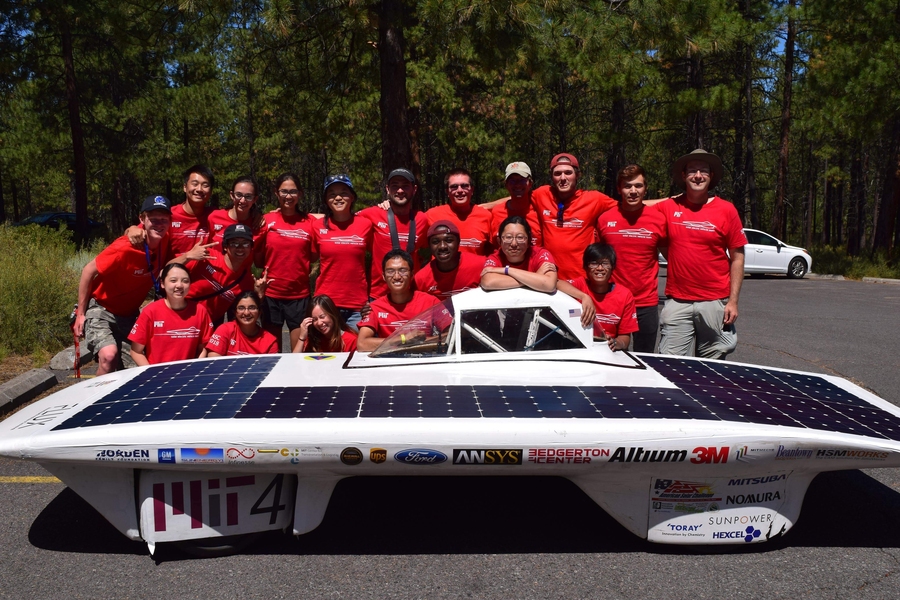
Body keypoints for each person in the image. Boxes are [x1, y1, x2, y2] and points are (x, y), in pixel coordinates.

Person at [655, 149, 747, 359]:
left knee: (711, 366)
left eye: (703, 171)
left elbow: (738, 258)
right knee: (671, 363)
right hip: (677, 301)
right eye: (693, 171)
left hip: (714, 301)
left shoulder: (726, 209)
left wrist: (733, 301)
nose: (698, 175)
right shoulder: (669, 207)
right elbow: (638, 204)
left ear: (711, 176)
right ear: (684, 176)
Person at [74, 195, 173, 375]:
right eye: (154, 219)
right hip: (102, 309)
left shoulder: (164, 239)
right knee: (109, 356)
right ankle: (96, 400)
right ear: (142, 219)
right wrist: (80, 314)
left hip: (129, 316)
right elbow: (88, 271)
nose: (159, 224)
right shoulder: (124, 247)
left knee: (141, 365)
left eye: (164, 219)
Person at [596, 164, 667, 352]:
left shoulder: (659, 219)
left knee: (645, 359)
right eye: (628, 186)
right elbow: (596, 260)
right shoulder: (605, 219)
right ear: (619, 189)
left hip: (646, 303)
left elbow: (673, 257)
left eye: (638, 186)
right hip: (613, 300)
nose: (633, 191)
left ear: (645, 188)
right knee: (612, 356)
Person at [258, 172, 316, 350]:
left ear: (300, 194)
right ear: (277, 193)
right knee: (272, 352)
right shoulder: (266, 220)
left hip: (298, 296)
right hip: (271, 295)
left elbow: (313, 256)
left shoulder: (310, 222)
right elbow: (259, 259)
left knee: (299, 351)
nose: (288, 196)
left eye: (293, 191)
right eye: (284, 191)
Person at [170, 223, 270, 324]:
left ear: (250, 248)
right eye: (234, 243)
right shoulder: (207, 257)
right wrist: (187, 256)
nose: (240, 247)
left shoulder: (246, 281)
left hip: (208, 325)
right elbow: (166, 271)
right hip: (179, 316)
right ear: (225, 247)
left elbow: (248, 314)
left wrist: (259, 295)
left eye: (245, 244)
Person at [312, 174, 373, 329]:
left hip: (357, 305)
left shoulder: (366, 224)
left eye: (343, 193)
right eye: (332, 194)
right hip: (326, 303)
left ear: (352, 197)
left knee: (356, 350)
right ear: (326, 200)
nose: (338, 198)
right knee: (327, 352)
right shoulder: (317, 226)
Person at [358, 168, 429, 299]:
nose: (400, 190)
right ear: (387, 189)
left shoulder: (422, 219)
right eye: (395, 186)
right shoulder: (372, 214)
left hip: (411, 294)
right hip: (379, 296)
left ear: (414, 189)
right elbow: (340, 218)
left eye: (405, 186)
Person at [557, 244, 639, 352]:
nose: (600, 268)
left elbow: (625, 338)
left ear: (613, 267)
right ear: (585, 267)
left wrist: (615, 342)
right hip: (577, 349)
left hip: (608, 352)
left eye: (605, 263)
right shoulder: (579, 286)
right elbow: (556, 283)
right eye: (594, 263)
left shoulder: (625, 295)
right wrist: (584, 296)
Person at [128, 263, 213, 365]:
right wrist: (151, 374)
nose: (179, 285)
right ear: (162, 283)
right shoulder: (150, 312)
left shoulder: (200, 311)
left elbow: (203, 349)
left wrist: (195, 369)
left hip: (188, 375)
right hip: (157, 376)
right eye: (173, 280)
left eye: (185, 281)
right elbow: (136, 351)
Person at [357, 250, 442, 352]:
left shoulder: (431, 302)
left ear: (412, 274)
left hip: (423, 360)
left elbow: (452, 334)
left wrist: (423, 343)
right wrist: (403, 339)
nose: (397, 276)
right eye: (390, 271)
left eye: (403, 270)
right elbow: (362, 344)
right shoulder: (375, 308)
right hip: (389, 363)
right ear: (383, 276)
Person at [124, 164, 215, 257]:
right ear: (185, 187)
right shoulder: (168, 214)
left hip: (206, 270)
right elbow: (136, 231)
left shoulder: (215, 216)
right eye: (194, 184)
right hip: (173, 269)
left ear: (211, 191)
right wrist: (131, 229)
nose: (199, 189)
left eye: (205, 185)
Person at [480, 216, 558, 292]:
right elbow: (488, 282)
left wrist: (507, 270)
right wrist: (534, 277)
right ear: (499, 241)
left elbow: (549, 285)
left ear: (529, 241)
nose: (514, 244)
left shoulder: (540, 254)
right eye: (508, 237)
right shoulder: (496, 257)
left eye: (520, 237)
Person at [426, 168, 493, 256]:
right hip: (441, 269)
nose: (460, 190)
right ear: (447, 191)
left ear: (472, 190)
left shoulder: (486, 216)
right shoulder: (432, 215)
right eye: (454, 187)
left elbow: (493, 253)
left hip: (475, 269)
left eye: (464, 186)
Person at [413, 220, 485, 300]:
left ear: (458, 242)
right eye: (435, 242)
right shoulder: (421, 279)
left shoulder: (481, 265)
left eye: (449, 240)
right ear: (429, 246)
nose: (442, 246)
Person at [207, 176, 266, 257]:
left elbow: (259, 261)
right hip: (214, 268)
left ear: (255, 199)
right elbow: (206, 249)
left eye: (248, 196)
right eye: (238, 195)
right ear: (232, 195)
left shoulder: (258, 224)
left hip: (243, 270)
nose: (242, 200)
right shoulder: (214, 217)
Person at [206, 291, 278, 356]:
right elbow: (214, 362)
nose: (246, 313)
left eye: (252, 308)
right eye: (241, 308)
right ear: (235, 312)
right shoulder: (224, 330)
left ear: (259, 312)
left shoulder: (270, 341)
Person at [489, 161, 542, 246]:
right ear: (506, 185)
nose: (517, 185)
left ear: (530, 183)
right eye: (512, 181)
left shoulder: (539, 211)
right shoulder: (496, 212)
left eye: (522, 180)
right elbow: (493, 245)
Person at [291, 295, 359, 353]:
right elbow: (295, 361)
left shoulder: (351, 340)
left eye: (322, 317)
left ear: (332, 314)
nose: (319, 323)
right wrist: (302, 337)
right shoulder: (313, 339)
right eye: (314, 319)